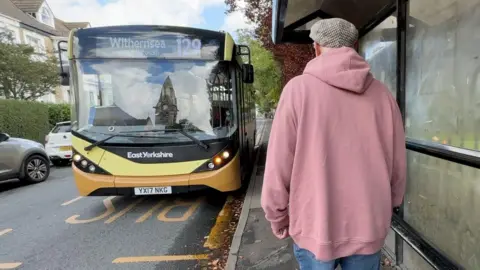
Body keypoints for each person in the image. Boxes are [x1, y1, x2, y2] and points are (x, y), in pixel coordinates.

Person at [260, 18, 406, 270]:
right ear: (356, 46)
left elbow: (278, 162)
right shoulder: (383, 95)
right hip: (368, 224)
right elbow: (397, 163)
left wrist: (277, 215)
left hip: (315, 226)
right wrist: (390, 203)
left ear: (316, 47)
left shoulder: (297, 91)